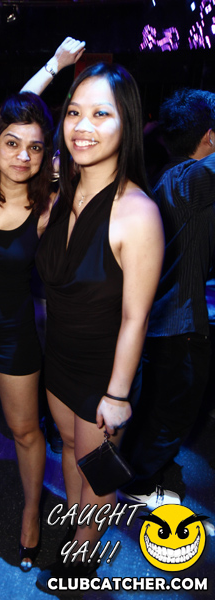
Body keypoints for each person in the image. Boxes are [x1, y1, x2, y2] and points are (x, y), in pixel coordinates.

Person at [33, 62, 164, 591]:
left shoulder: (137, 212)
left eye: (101, 114)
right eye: (73, 112)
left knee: (99, 473)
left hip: (105, 373)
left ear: (126, 123)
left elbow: (137, 317)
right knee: (69, 449)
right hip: (59, 359)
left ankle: (82, 565)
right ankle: (76, 532)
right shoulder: (57, 195)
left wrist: (118, 394)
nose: (82, 126)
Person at [0, 92, 54, 571]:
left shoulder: (47, 208)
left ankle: (31, 513)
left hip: (11, 331)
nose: (23, 155)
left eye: (35, 147)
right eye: (12, 143)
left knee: (25, 430)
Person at [120, 88, 215, 509]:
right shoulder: (187, 180)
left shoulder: (172, 177)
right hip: (178, 324)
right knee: (172, 414)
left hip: (169, 320)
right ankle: (138, 483)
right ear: (209, 136)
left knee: (158, 409)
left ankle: (142, 469)